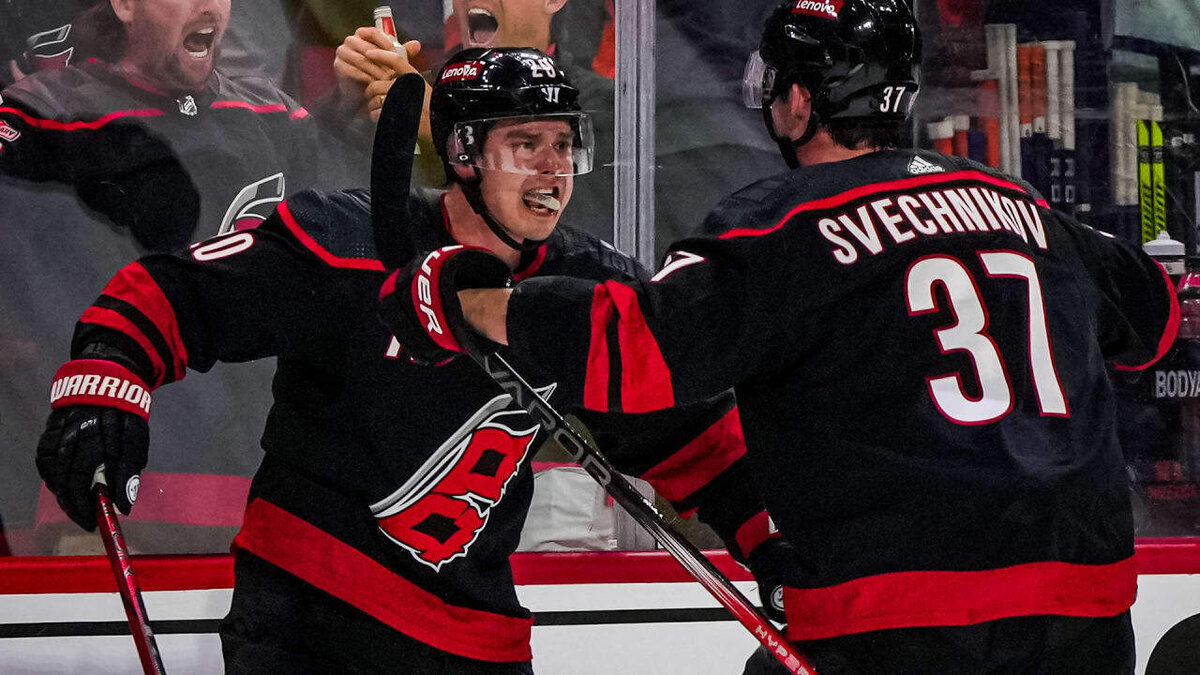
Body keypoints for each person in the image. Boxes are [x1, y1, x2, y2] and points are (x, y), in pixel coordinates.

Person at [393, 2, 1180, 673]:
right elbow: (1156, 319)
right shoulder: (1024, 206)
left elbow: (642, 350)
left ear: (799, 102)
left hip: (901, 614)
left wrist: (484, 305)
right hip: (1088, 602)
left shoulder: (784, 224)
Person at [34, 47, 774, 673]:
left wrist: (778, 546)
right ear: (462, 153)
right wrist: (105, 383)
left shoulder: (584, 286)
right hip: (312, 614)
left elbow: (694, 437)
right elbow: (177, 293)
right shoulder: (344, 242)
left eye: (565, 144)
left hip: (473, 635)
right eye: (527, 144)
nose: (554, 170)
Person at [0, 0, 390, 251]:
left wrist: (353, 104)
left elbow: (341, 199)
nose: (209, 7)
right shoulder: (43, 114)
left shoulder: (266, 106)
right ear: (125, 5)